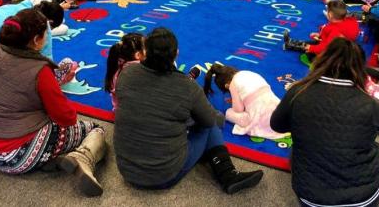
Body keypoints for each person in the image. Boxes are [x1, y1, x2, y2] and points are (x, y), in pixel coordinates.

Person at [0, 9, 106, 197]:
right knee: (95, 129)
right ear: (36, 40)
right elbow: (66, 118)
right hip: (19, 154)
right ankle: (82, 157)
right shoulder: (40, 70)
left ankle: (46, 158)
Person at [114, 27, 263, 193]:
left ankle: (213, 159)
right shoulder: (186, 86)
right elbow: (211, 122)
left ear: (145, 52)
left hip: (127, 170)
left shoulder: (126, 74)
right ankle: (227, 174)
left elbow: (148, 106)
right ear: (176, 54)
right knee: (210, 121)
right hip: (163, 174)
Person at [271, 38, 379, 207]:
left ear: (323, 60)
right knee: (377, 148)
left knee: (297, 148)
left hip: (311, 199)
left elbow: (276, 125)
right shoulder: (367, 102)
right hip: (364, 200)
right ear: (360, 69)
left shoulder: (298, 91)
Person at [203, 63, 288, 140]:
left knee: (229, 112)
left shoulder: (233, 84)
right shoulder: (248, 72)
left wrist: (234, 100)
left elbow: (238, 110)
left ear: (226, 85)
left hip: (263, 120)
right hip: (278, 111)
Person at [283, 0, 359, 57]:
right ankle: (290, 42)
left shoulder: (335, 31)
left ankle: (290, 45)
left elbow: (325, 47)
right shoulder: (351, 21)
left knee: (310, 48)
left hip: (335, 52)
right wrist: (320, 35)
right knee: (313, 43)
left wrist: (311, 48)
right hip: (341, 45)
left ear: (330, 14)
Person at [104, 33, 145, 111]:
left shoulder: (119, 67)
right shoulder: (139, 71)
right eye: (146, 48)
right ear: (138, 55)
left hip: (119, 110)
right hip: (134, 114)